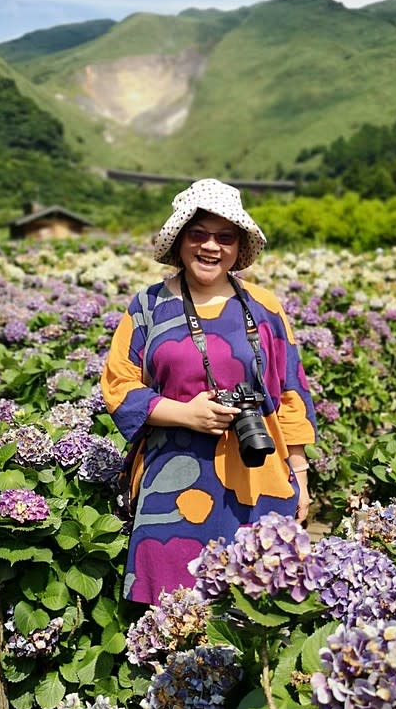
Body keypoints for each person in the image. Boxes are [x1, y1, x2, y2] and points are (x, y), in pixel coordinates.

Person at [101, 178, 318, 604]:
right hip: (172, 482)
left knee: (255, 605)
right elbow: (118, 385)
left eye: (225, 237)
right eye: (198, 234)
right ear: (180, 241)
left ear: (239, 249)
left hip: (260, 474)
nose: (211, 247)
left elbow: (292, 393)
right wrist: (185, 414)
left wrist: (302, 475)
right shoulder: (147, 307)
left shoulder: (266, 307)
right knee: (171, 605)